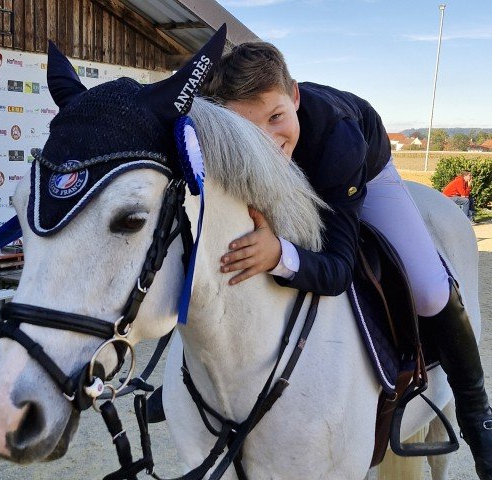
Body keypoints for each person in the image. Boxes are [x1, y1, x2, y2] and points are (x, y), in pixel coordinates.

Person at [200, 42, 492, 479]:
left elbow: (337, 268)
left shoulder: (339, 142)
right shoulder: (236, 138)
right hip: (305, 169)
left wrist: (280, 254)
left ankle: (477, 413)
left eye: (276, 117)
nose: (268, 139)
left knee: (430, 290)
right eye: (248, 126)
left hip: (362, 169)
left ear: (294, 96)